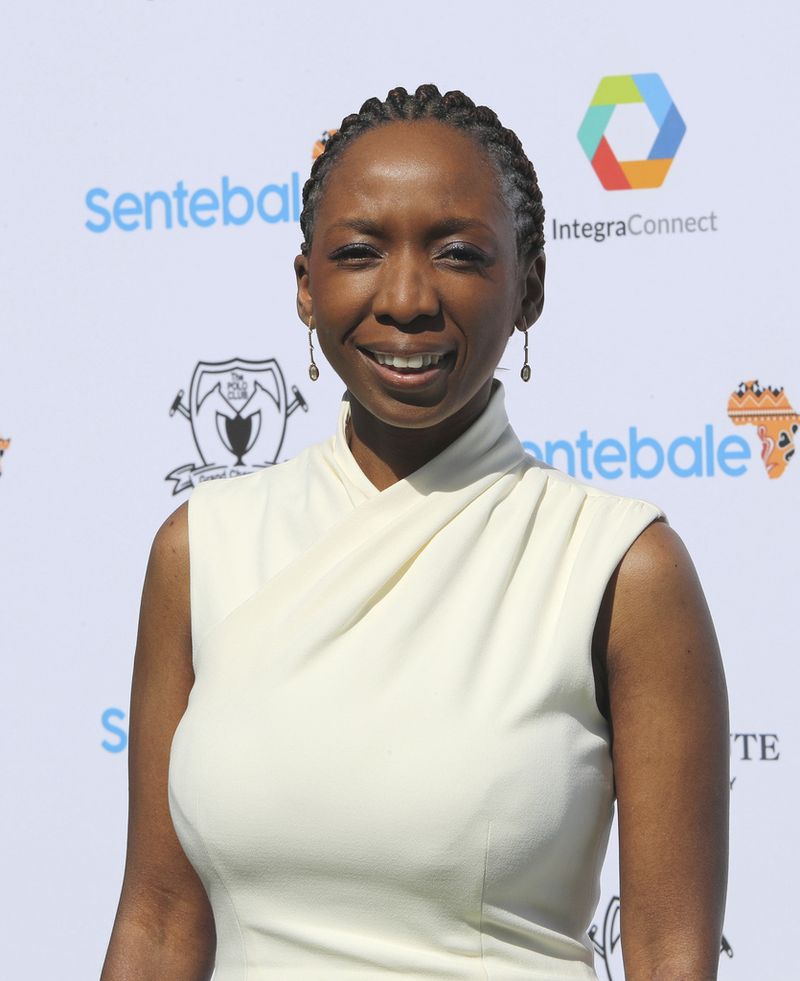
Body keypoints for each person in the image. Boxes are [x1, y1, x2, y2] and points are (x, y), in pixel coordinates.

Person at [101, 85, 728, 980]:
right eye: (359, 253)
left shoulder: (620, 567)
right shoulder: (200, 548)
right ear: (306, 287)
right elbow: (159, 921)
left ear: (530, 288)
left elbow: (669, 954)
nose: (405, 299)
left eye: (458, 254)